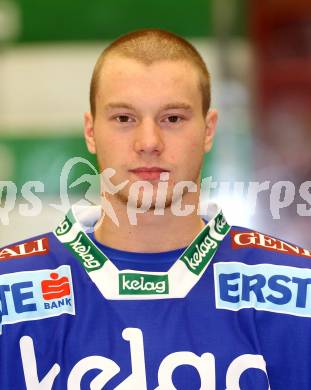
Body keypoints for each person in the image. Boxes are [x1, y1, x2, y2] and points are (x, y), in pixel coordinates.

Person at [0, 28, 311, 390]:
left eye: (172, 118)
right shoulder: (10, 290)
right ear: (90, 130)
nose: (149, 142)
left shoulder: (297, 289)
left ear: (209, 130)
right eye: (124, 118)